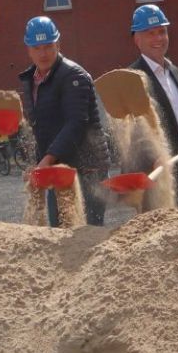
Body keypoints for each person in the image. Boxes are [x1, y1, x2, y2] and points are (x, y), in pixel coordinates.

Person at [17, 17, 112, 225]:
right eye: (37, 47)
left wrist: (45, 162)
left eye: (49, 46)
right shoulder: (31, 81)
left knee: (87, 233)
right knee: (61, 229)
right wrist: (35, 162)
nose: (43, 53)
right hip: (58, 169)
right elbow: (41, 128)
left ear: (58, 44)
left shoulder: (73, 76)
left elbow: (76, 123)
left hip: (88, 169)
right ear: (28, 49)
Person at [129, 4, 178, 206]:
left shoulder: (174, 71)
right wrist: (152, 158)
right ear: (137, 40)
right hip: (153, 176)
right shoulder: (133, 78)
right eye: (150, 33)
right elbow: (131, 133)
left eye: (162, 32)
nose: (158, 39)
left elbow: (177, 116)